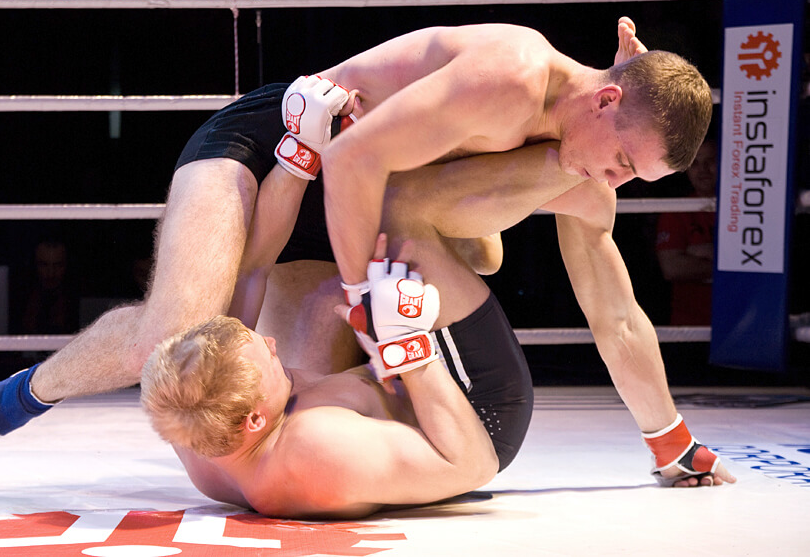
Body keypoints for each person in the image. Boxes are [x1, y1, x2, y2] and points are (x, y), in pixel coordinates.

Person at [0, 18, 722, 488]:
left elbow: (616, 314)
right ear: (606, 98)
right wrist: (369, 305)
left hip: (359, 204)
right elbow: (349, 160)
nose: (616, 180)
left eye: (635, 177)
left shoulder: (579, 165)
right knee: (170, 338)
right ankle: (16, 399)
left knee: (299, 389)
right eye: (624, 161)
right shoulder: (512, 77)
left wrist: (671, 441)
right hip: (279, 146)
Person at [142, 140, 732, 520]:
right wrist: (410, 349)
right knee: (399, 212)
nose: (270, 342)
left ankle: (464, 240)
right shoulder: (313, 453)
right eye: (266, 358)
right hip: (477, 412)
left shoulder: (199, 426)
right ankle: (531, 199)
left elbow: (251, 270)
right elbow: (472, 465)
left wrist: (296, 156)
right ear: (254, 420)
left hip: (391, 378)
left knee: (307, 281)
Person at [655, 139, 718, 325]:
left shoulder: (745, 210)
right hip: (689, 325)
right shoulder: (676, 211)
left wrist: (696, 256)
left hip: (737, 321)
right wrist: (727, 263)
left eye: (710, 161)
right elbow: (672, 268)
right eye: (695, 163)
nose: (703, 170)